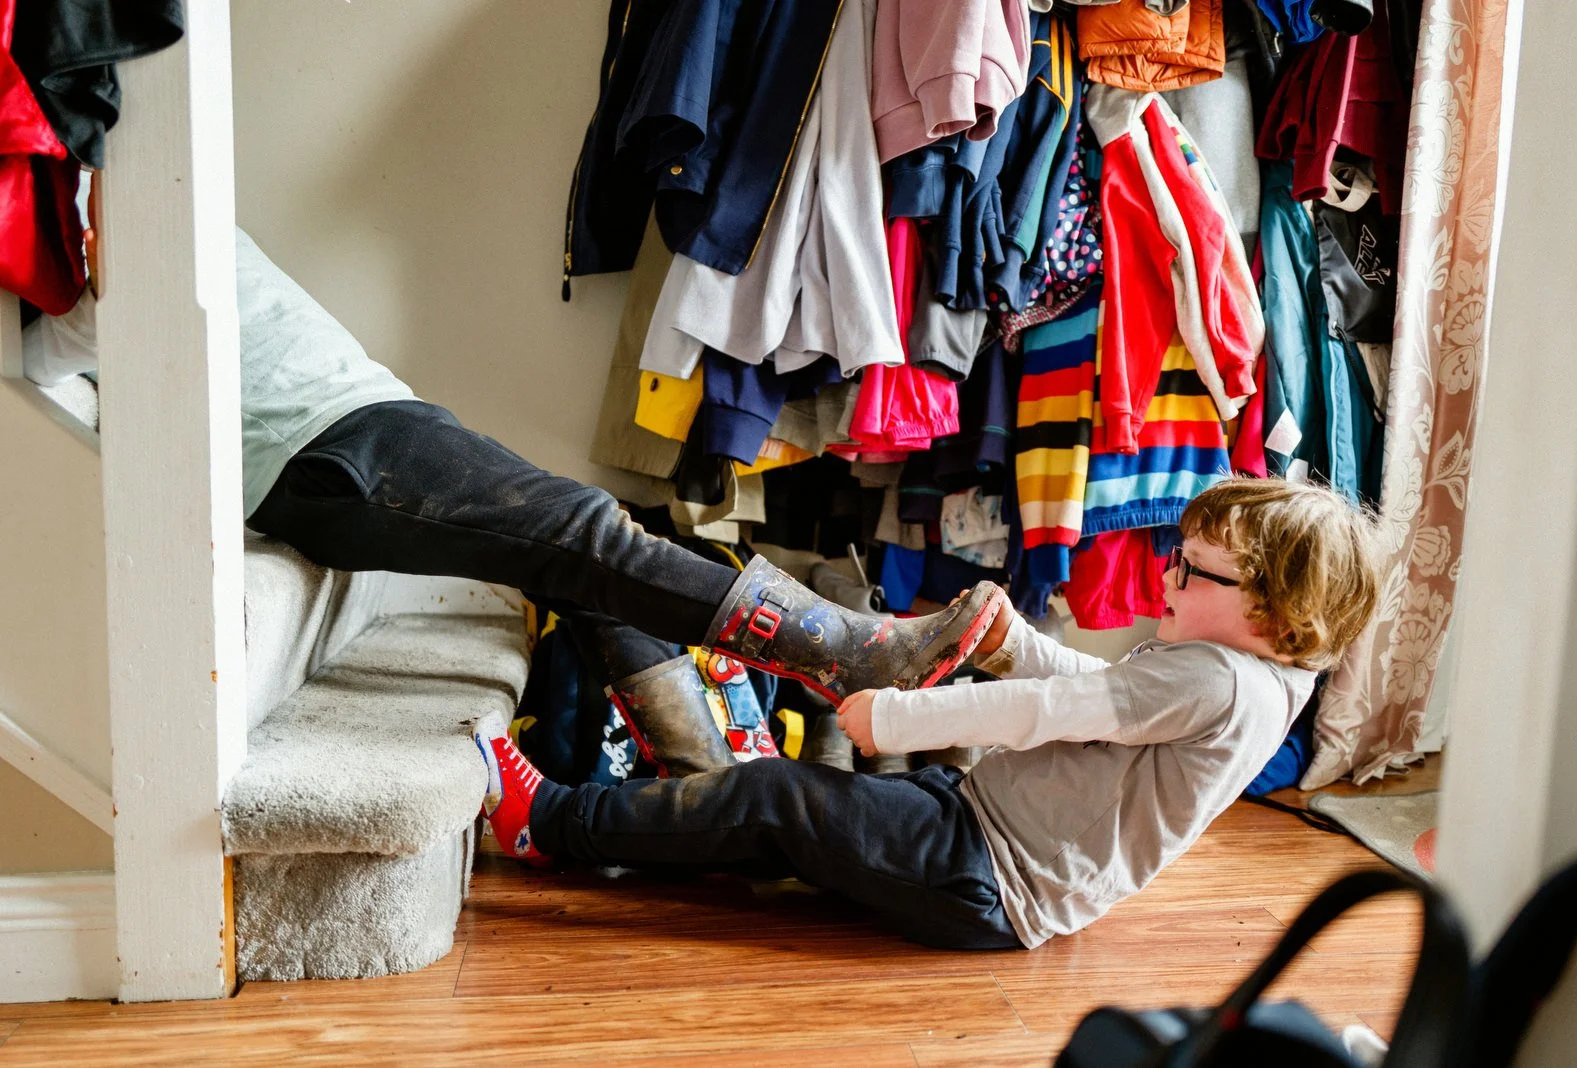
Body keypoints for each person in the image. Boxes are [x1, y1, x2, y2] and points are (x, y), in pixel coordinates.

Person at [19, 227, 1005, 760]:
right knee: (580, 533)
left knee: (579, 551)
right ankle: (839, 652)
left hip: (361, 415)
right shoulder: (72, 221)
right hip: (321, 445)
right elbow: (46, 353)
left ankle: (709, 782)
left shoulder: (122, 161)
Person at [473, 478, 1380, 949]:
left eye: (1192, 569)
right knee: (793, 812)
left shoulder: (1216, 680)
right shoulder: (1253, 678)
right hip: (985, 837)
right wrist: (1010, 640)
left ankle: (547, 823)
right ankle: (676, 833)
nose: (1167, 576)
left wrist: (900, 719)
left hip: (986, 878)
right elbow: (1092, 699)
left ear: (1273, 611)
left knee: (784, 797)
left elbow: (1055, 710)